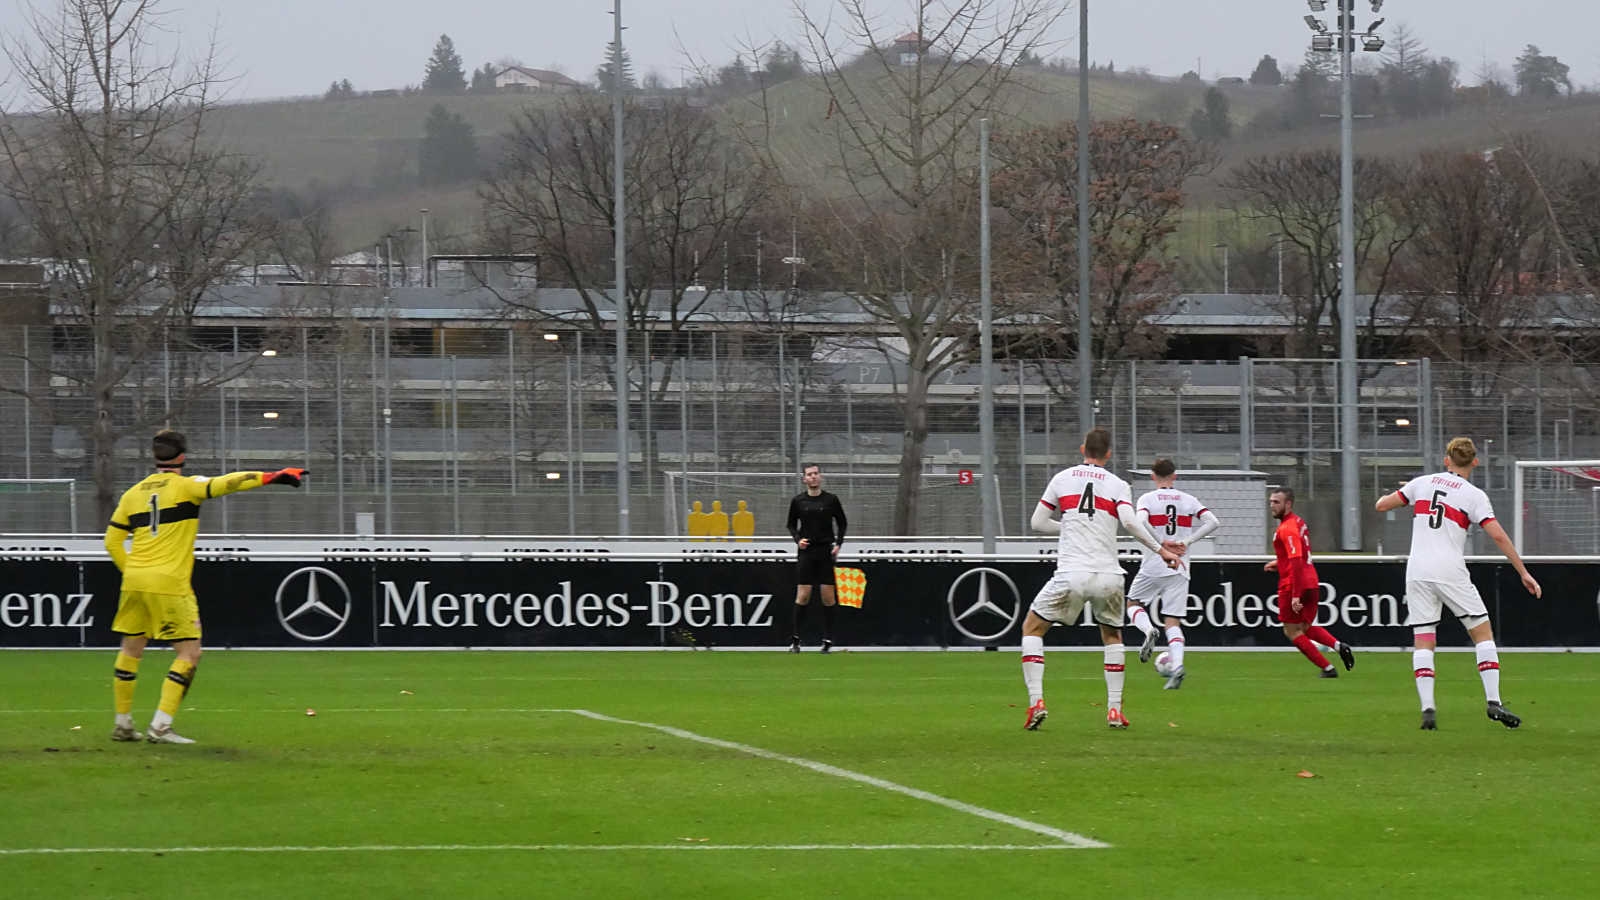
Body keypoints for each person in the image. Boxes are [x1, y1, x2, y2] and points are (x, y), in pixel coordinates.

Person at [104, 430, 306, 744]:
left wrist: (132, 571)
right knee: (189, 653)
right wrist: (272, 476)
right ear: (183, 457)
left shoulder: (132, 494)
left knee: (131, 649)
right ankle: (160, 727)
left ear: (155, 456)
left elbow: (112, 541)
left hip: (134, 582)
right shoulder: (187, 487)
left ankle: (123, 724)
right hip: (169, 582)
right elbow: (228, 482)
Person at [1375, 437, 1540, 730]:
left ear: (1446, 460)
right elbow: (1498, 535)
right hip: (1449, 570)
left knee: (1424, 639)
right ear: (1474, 462)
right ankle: (1493, 702)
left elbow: (1381, 505)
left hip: (1417, 570)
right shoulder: (1473, 495)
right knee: (1482, 633)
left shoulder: (1422, 483)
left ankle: (1428, 709)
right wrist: (1523, 572)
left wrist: (1402, 496)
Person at [1022, 428, 1181, 730]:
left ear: (1083, 449)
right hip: (1109, 575)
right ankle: (1114, 711)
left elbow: (1038, 523)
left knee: (1032, 628)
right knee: (1112, 636)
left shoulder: (1062, 478)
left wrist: (1072, 526)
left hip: (1072, 572)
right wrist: (1161, 550)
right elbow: (1130, 522)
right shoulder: (1118, 484)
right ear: (1109, 454)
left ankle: (1036, 703)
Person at [1126, 459, 1221, 690]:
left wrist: (1161, 542)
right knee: (1172, 621)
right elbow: (1213, 522)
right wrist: (1186, 541)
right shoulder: (1188, 499)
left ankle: (1148, 630)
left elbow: (1140, 522)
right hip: (1180, 565)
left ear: (1153, 476)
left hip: (1155, 561)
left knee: (1133, 603)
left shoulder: (1147, 499)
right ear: (1174, 476)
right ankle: (1177, 666)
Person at [1267, 488, 1356, 677]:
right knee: (1305, 627)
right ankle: (1339, 646)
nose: (1272, 505)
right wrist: (1280, 563)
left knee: (1291, 631)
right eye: (1271, 501)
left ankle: (1328, 669)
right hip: (1311, 581)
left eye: (1276, 502)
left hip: (1294, 583)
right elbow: (1299, 554)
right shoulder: (1298, 522)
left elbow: (1296, 560)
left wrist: (1295, 595)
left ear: (1288, 504)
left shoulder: (1287, 528)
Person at [785, 463, 847, 653]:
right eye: (809, 474)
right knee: (803, 595)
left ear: (820, 477)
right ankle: (796, 640)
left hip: (825, 552)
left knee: (828, 597)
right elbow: (791, 524)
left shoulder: (831, 500)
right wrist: (798, 540)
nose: (813, 476)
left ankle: (827, 640)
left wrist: (838, 544)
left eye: (816, 473)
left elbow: (842, 523)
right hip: (807, 553)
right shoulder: (798, 501)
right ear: (804, 479)